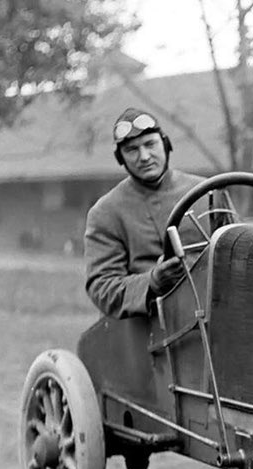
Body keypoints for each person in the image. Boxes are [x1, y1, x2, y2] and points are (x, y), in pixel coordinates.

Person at [84, 108, 206, 318]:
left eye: (150, 144)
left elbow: (236, 249)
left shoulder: (207, 192)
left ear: (165, 144)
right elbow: (102, 287)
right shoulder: (106, 212)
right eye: (131, 149)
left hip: (216, 313)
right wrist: (152, 282)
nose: (144, 157)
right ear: (120, 158)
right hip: (153, 325)